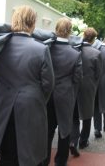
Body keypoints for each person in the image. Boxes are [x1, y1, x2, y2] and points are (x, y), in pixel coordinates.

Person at [0, 5, 55, 166]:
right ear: (32, 22)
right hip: (30, 106)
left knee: (7, 149)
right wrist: (36, 98)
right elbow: (48, 84)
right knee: (29, 150)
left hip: (3, 103)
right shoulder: (41, 49)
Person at [40, 18, 83, 166]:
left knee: (47, 130)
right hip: (65, 96)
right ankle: (60, 162)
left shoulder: (46, 49)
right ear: (70, 32)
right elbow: (78, 78)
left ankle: (44, 160)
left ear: (56, 29)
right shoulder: (75, 54)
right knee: (65, 130)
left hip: (47, 96)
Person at [70, 27, 102, 156]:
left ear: (83, 35)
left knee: (74, 116)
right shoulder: (96, 53)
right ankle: (83, 141)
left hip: (74, 85)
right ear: (94, 39)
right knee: (87, 115)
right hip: (89, 87)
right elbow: (98, 74)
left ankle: (73, 141)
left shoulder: (74, 50)